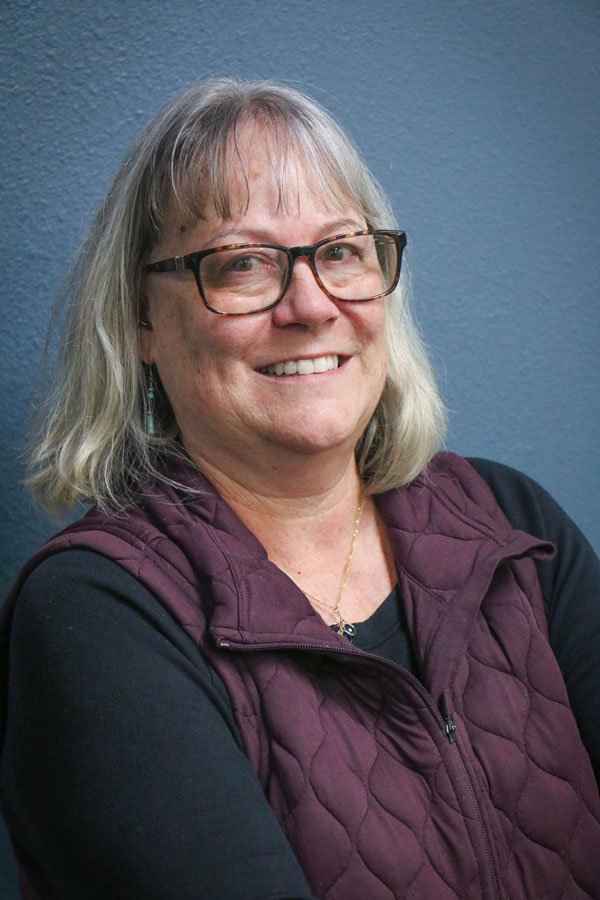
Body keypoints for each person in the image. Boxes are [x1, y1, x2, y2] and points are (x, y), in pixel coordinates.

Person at [1, 78, 599, 900]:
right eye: (243, 264)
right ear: (141, 319)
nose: (311, 305)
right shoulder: (99, 613)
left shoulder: (516, 529)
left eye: (341, 252)